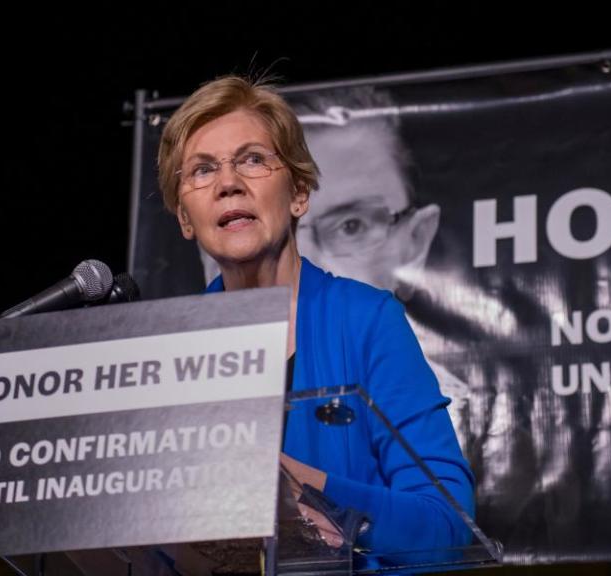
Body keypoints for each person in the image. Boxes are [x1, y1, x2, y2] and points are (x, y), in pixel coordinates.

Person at [157, 75, 474, 555]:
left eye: (252, 160)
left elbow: (446, 524)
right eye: (202, 170)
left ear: (300, 193)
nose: (228, 183)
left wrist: (296, 488)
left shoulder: (367, 322)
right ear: (184, 217)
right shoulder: (166, 351)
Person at [197, 86, 471, 445]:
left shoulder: (481, 437)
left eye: (351, 226)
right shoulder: (166, 408)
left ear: (414, 243)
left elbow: (438, 500)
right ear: (209, 258)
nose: (303, 259)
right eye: (281, 233)